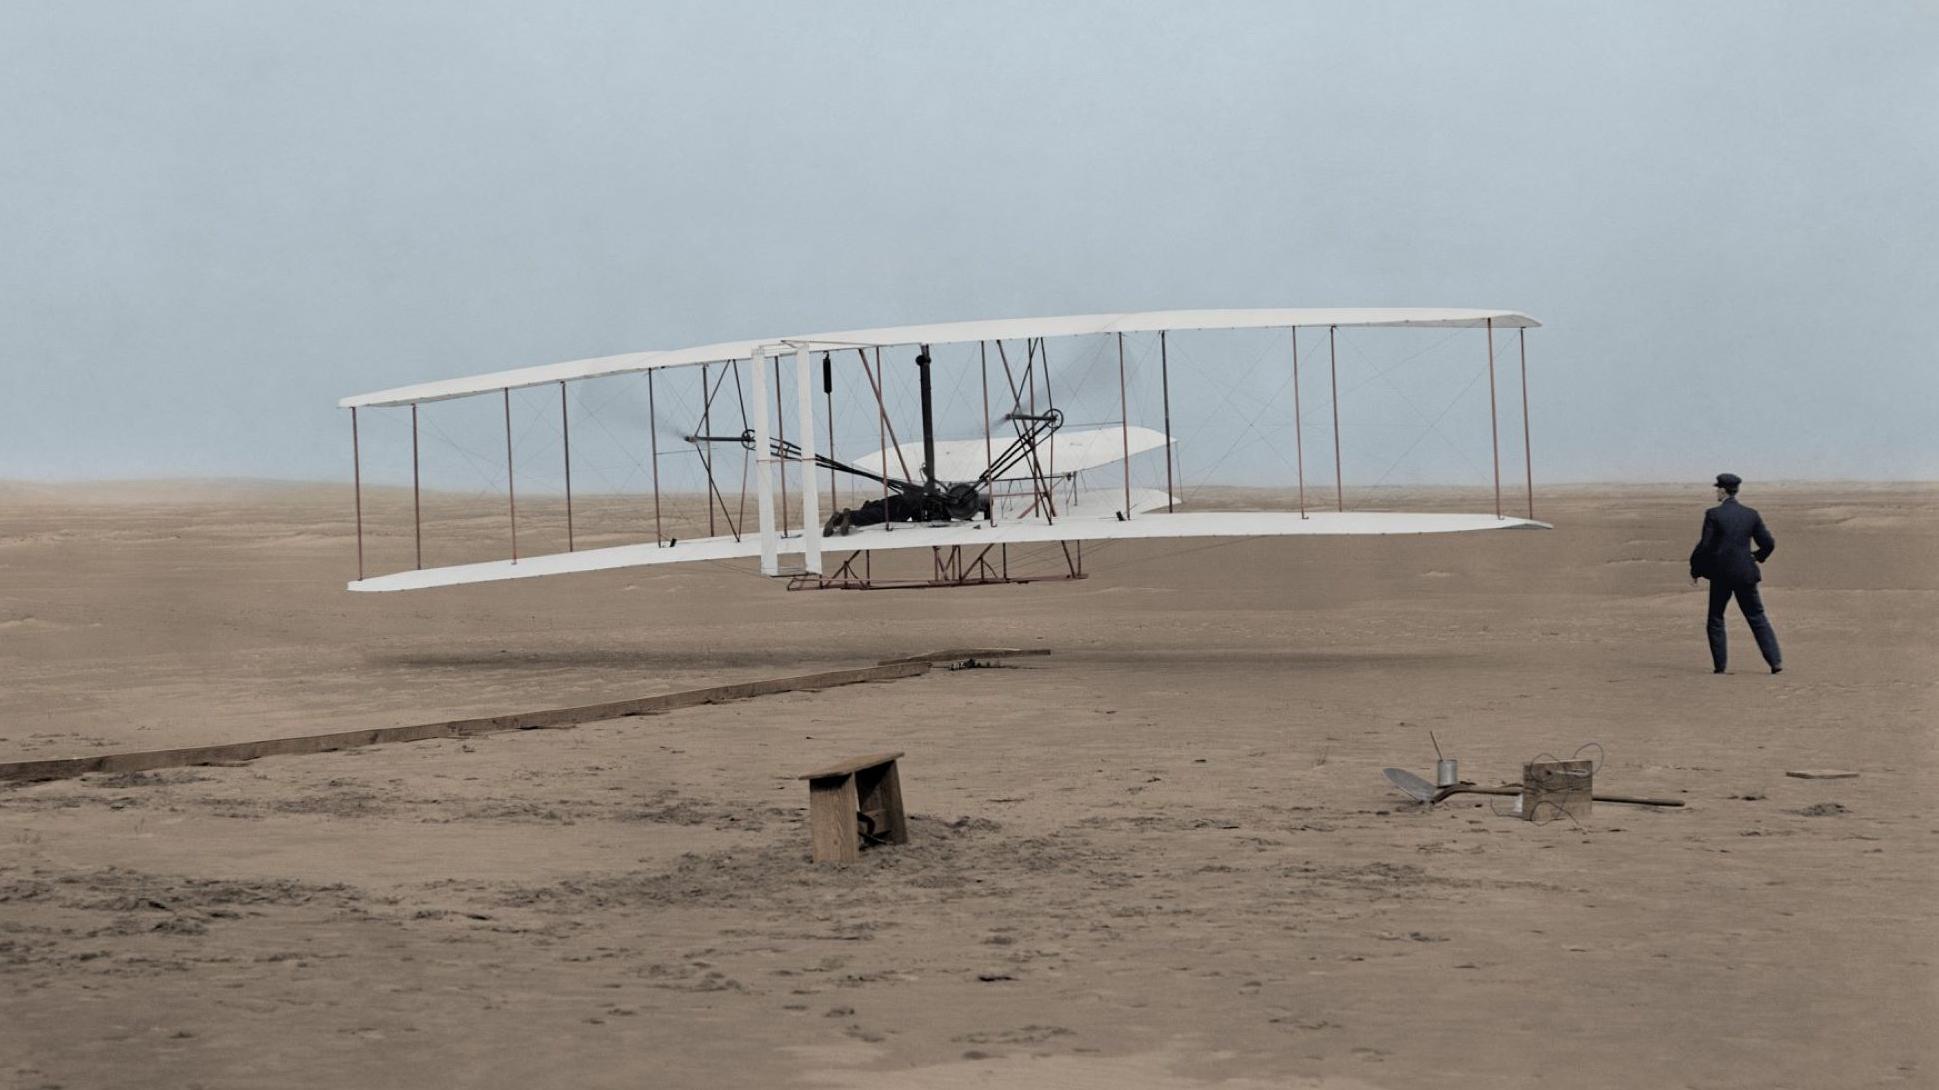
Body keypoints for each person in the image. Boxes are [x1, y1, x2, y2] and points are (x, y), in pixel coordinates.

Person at [1688, 472, 1783, 674]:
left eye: (1717, 489)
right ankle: (1775, 662)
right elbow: (1768, 543)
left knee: (1716, 618)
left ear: (1723, 490)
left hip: (1721, 575)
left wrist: (1695, 569)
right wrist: (1756, 557)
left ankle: (1720, 667)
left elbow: (1705, 546)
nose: (1716, 492)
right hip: (1746, 573)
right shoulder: (1751, 514)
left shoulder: (1713, 514)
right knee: (1757, 616)